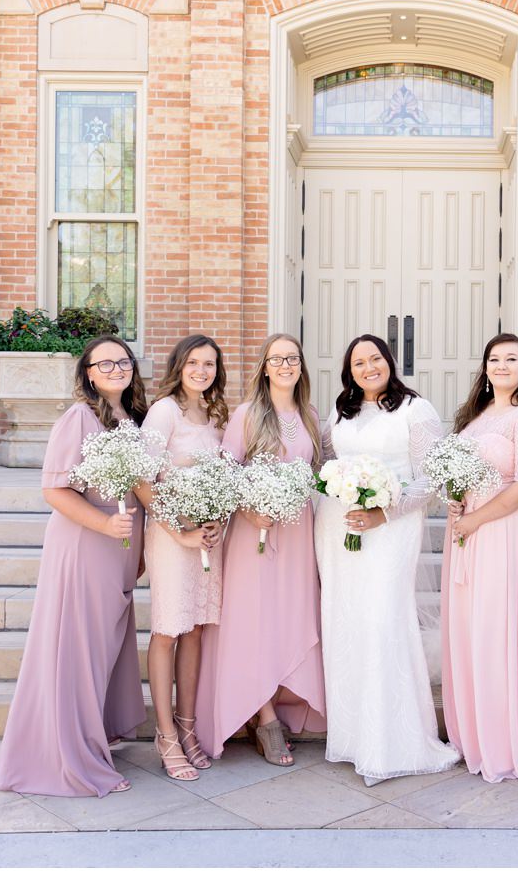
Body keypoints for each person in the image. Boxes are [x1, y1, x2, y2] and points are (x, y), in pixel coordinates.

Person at [0, 336, 147, 797]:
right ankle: (68, 757)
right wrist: (104, 523)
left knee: (102, 648)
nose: (117, 368)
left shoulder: (130, 420)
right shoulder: (77, 418)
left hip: (117, 551)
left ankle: (93, 738)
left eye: (124, 361)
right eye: (106, 363)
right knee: (78, 649)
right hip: (84, 546)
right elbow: (54, 491)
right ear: (89, 374)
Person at [316, 335, 461, 783]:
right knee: (346, 623)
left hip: (392, 529)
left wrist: (384, 512)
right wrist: (337, 491)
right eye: (358, 362)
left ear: (389, 361)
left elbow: (432, 479)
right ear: (349, 370)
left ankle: (391, 742)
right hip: (339, 530)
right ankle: (353, 737)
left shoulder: (417, 410)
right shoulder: (341, 412)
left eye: (375, 358)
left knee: (383, 622)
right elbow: (324, 463)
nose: (368, 367)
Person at [196, 334, 329, 765]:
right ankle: (264, 718)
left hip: (297, 533)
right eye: (278, 359)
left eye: (293, 357)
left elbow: (319, 473)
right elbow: (225, 471)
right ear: (265, 367)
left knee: (288, 618)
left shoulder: (309, 415)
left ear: (300, 366)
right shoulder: (247, 415)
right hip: (255, 534)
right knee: (253, 622)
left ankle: (276, 699)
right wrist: (251, 512)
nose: (286, 365)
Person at [439, 333, 518, 782]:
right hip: (468, 532)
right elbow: (460, 474)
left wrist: (477, 520)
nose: (502, 365)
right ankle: (473, 736)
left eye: (512, 358)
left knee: (498, 631)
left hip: (505, 533)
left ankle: (506, 741)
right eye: (495, 358)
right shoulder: (474, 417)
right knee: (472, 632)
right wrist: (456, 502)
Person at [134, 335, 230, 780]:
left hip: (207, 537)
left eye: (209, 364)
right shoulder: (164, 411)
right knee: (169, 629)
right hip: (172, 536)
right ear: (179, 365)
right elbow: (142, 479)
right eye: (194, 362)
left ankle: (190, 727)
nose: (201, 371)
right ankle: (166, 733)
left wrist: (214, 521)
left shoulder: (217, 414)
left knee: (195, 629)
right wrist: (182, 532)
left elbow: (223, 476)